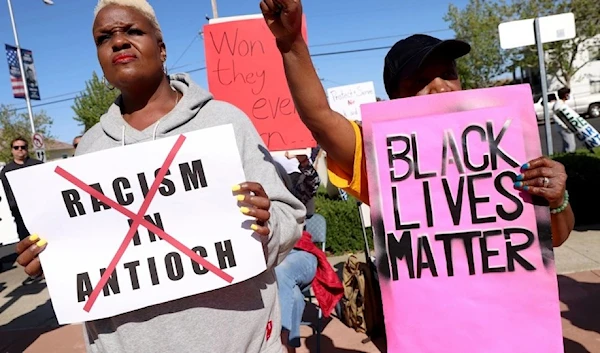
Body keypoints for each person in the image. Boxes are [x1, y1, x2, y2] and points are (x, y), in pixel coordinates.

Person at [15, 1, 305, 352]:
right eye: (104, 37)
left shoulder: (226, 122)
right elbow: (87, 260)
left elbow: (289, 218)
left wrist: (267, 224)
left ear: (162, 48)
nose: (118, 42)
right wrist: (53, 260)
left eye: (133, 31)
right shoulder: (88, 150)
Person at [260, 0, 574, 247]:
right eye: (421, 81)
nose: (441, 87)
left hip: (512, 322)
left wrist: (557, 199)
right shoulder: (384, 157)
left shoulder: (502, 145)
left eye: (448, 74)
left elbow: (554, 239)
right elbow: (320, 117)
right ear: (395, 99)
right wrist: (290, 42)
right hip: (427, 325)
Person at [271, 153, 342, 352]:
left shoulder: (295, 189)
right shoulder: (259, 195)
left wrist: (303, 161)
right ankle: (291, 347)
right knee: (293, 296)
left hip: (300, 254)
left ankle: (281, 342)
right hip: (273, 259)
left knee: (282, 271)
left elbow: (312, 182)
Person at [0, 137, 43, 240]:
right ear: (12, 150)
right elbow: (7, 192)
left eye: (23, 147)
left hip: (40, 208)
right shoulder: (6, 171)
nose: (20, 149)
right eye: (16, 147)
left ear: (27, 149)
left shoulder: (37, 165)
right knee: (26, 239)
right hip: (20, 212)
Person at [551, 88, 576, 153]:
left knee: (566, 145)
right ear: (565, 95)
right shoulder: (559, 104)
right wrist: (564, 126)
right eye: (568, 94)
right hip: (564, 128)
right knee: (571, 145)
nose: (568, 95)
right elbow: (556, 116)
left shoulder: (561, 103)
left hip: (565, 127)